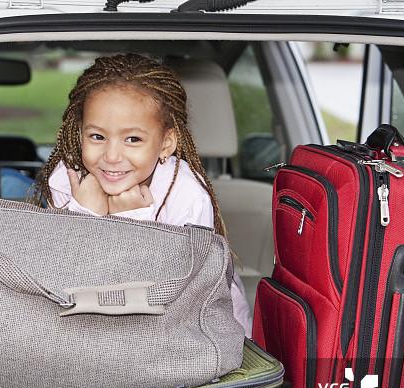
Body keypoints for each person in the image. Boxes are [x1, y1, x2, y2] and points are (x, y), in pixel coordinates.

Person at [31, 53, 252, 335]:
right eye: (97, 136)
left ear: (166, 144)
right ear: (80, 132)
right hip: (97, 328)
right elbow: (63, 276)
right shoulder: (67, 178)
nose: (112, 156)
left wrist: (132, 223)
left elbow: (179, 300)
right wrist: (83, 213)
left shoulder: (186, 195)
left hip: (194, 328)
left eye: (133, 139)